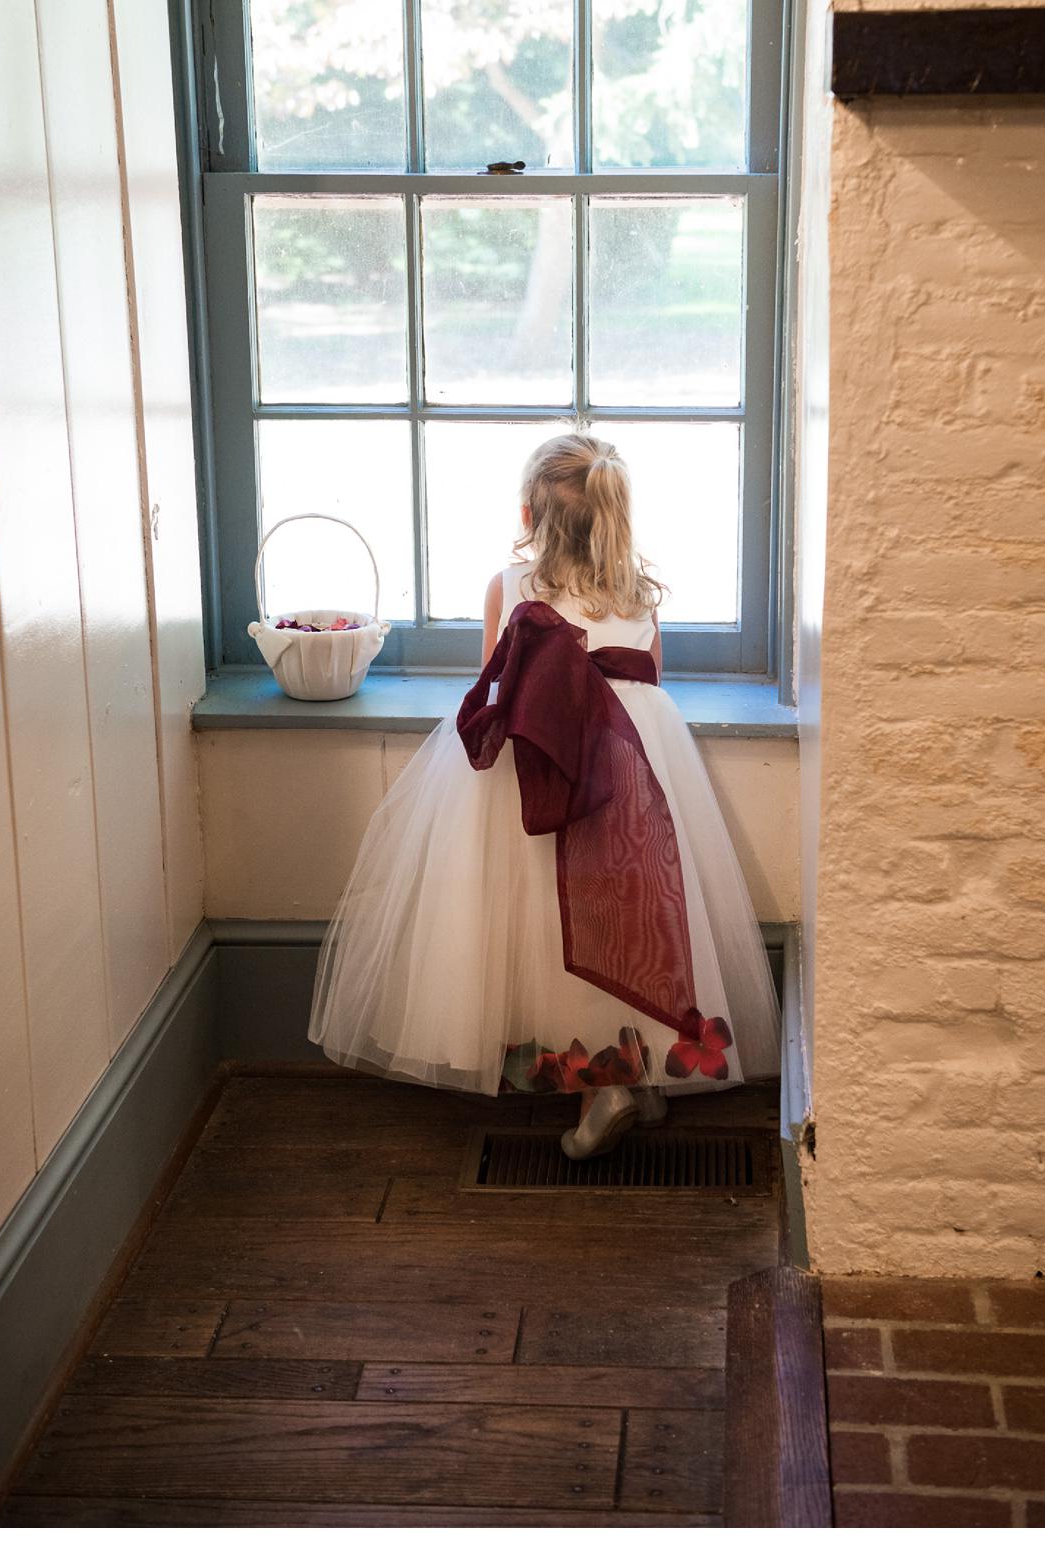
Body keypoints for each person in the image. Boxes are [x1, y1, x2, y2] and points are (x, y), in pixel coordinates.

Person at [308, 430, 780, 1158]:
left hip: (545, 773)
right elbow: (650, 679)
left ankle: (602, 1087)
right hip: (635, 777)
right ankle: (640, 1069)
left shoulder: (512, 585)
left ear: (529, 516)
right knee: (633, 924)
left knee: (551, 931)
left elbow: (498, 681)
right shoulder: (638, 595)